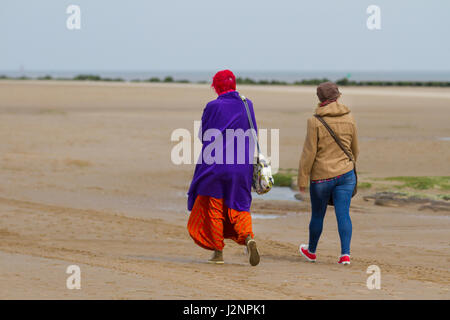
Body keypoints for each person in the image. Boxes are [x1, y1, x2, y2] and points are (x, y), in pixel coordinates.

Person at [186, 70, 260, 266]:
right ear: (234, 85)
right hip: (242, 165)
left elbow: (203, 135)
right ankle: (248, 238)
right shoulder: (247, 104)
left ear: (216, 87)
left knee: (214, 207)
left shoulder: (213, 106)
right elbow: (254, 134)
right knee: (240, 205)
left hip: (215, 165)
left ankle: (218, 253)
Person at [297, 81, 359, 265]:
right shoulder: (350, 118)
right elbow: (355, 150)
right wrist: (347, 165)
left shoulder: (314, 121)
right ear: (338, 96)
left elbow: (309, 153)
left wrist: (302, 178)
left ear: (320, 99)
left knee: (317, 215)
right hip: (346, 174)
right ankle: (345, 255)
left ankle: (312, 251)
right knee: (343, 214)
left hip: (321, 176)